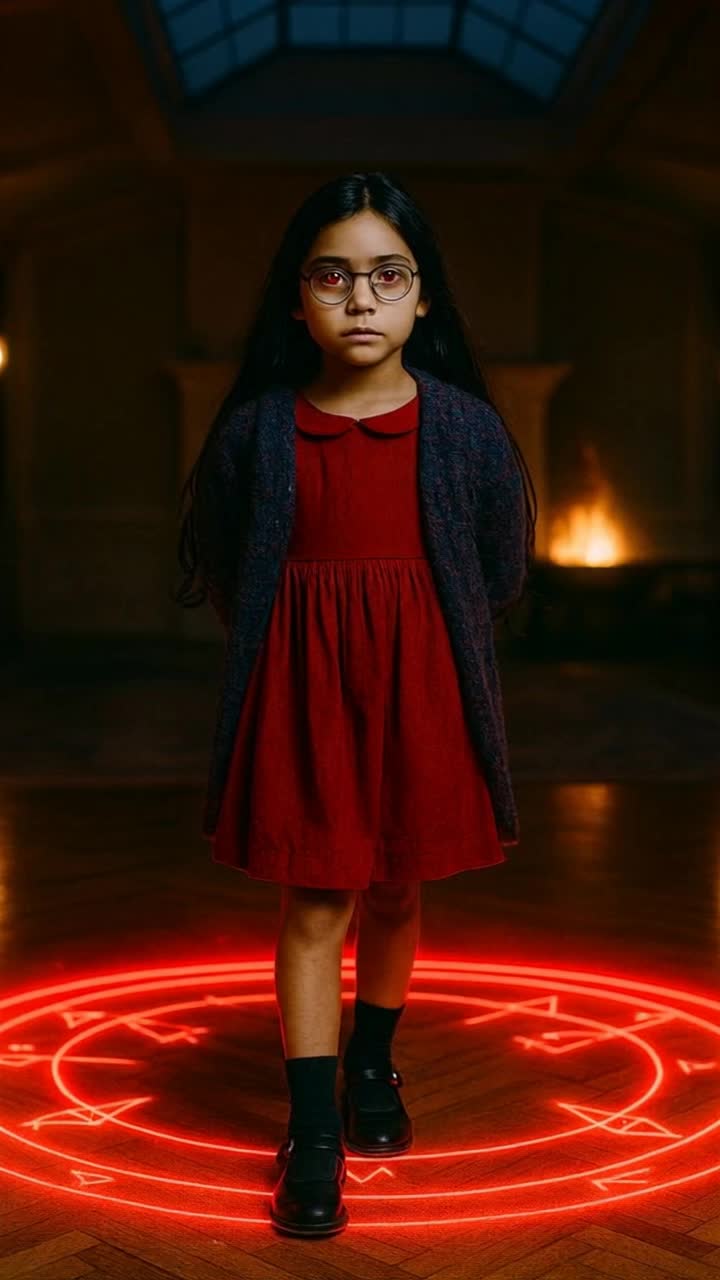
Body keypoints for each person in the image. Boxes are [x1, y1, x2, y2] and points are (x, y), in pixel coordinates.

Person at [172, 170, 537, 1237]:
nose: (362, 298)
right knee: (317, 900)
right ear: (299, 299)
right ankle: (314, 1132)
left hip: (423, 682)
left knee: (396, 887)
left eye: (389, 275)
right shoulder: (257, 432)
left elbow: (501, 565)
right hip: (304, 688)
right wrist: (303, 637)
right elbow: (225, 560)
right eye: (334, 276)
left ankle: (373, 1064)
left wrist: (416, 628)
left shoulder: (466, 428)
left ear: (424, 298)